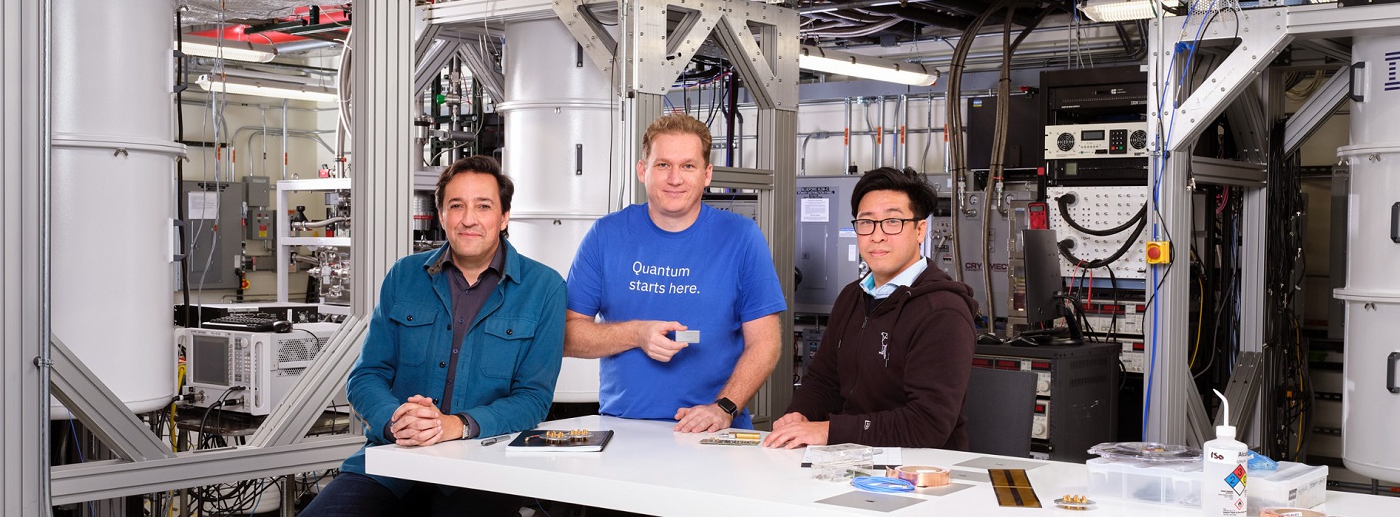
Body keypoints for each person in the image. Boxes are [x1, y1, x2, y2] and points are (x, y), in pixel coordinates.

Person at [303, 155, 567, 516]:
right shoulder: (404, 275)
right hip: (393, 462)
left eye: (483, 206)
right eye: (456, 206)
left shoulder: (545, 288)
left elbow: (532, 399)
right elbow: (367, 376)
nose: (468, 219)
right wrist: (397, 421)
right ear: (441, 215)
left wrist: (454, 426)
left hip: (482, 471)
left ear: (504, 217)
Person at [564, 114, 786, 432]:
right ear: (643, 171)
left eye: (688, 166)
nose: (675, 178)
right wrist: (636, 334)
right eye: (663, 165)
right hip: (626, 429)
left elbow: (765, 342)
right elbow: (567, 336)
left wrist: (723, 407)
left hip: (716, 430)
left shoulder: (741, 237)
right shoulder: (606, 235)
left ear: (707, 174)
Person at [764, 167, 977, 450]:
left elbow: (927, 425)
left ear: (920, 230)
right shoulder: (853, 296)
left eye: (892, 222)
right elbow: (823, 380)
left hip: (916, 471)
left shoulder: (942, 311)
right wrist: (799, 415)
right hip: (851, 457)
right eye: (866, 223)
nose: (877, 236)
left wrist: (830, 430)